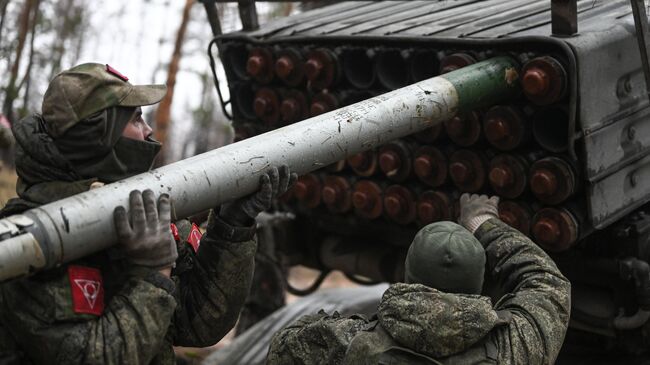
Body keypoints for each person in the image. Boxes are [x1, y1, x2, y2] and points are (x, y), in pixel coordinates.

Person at [0, 63, 296, 364]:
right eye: (136, 118)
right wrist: (153, 273)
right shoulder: (29, 243)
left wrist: (231, 228)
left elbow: (199, 325)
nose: (149, 131)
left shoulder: (139, 207)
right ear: (99, 137)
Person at [267, 194, 571, 365]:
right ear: (478, 283)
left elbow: (282, 347)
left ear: (408, 274)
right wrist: (484, 223)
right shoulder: (515, 349)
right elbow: (547, 281)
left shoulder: (343, 344)